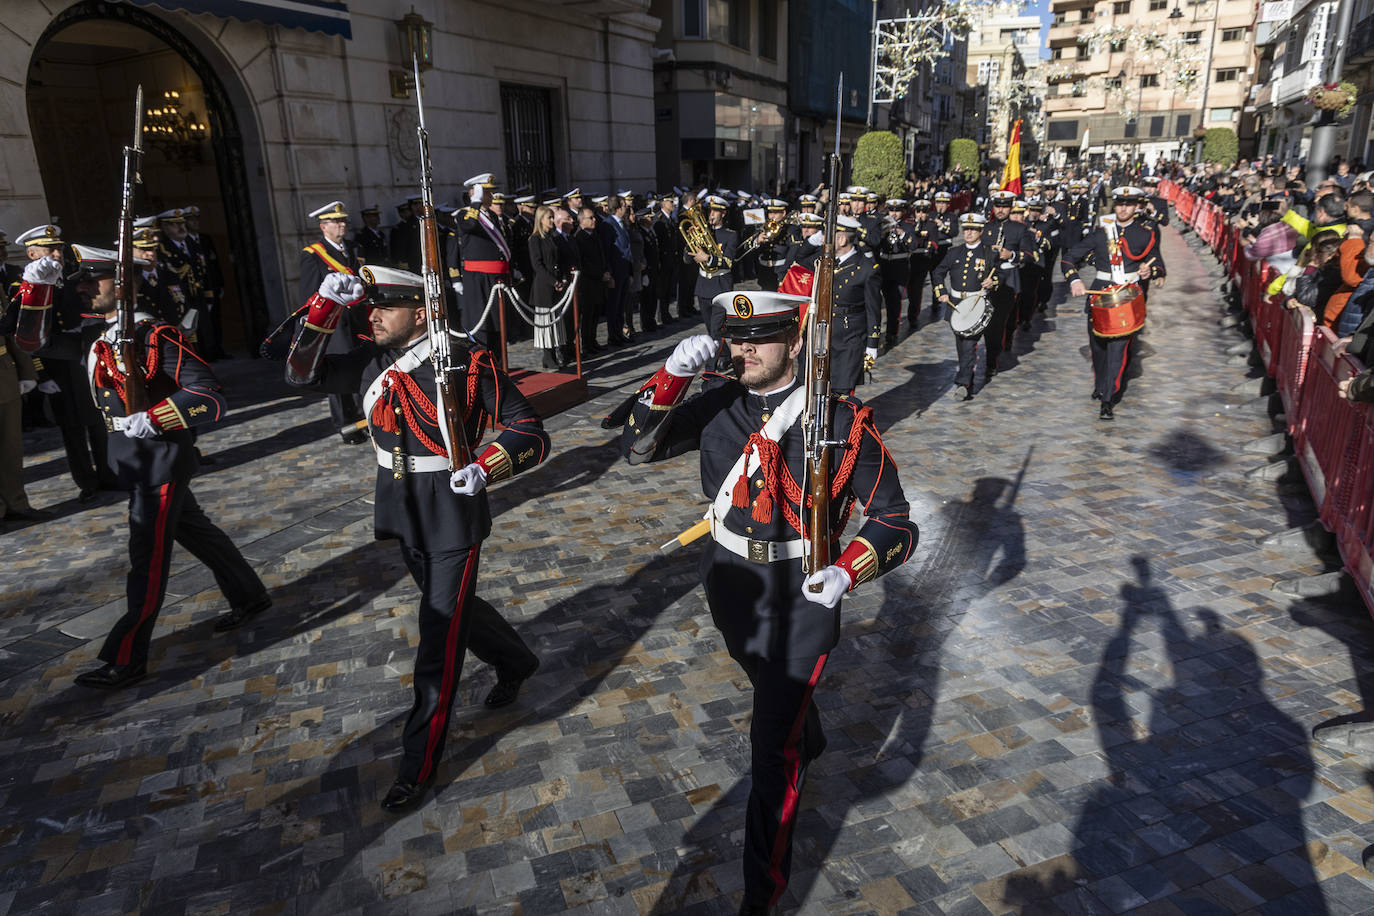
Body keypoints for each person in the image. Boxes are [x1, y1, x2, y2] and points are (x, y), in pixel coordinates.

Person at [617, 290, 917, 914]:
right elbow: (637, 448)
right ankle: (804, 725)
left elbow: (895, 520)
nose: (744, 349)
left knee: (769, 748)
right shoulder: (720, 405)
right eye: (736, 337)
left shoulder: (838, 421)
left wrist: (846, 571)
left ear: (797, 341)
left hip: (803, 595)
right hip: (729, 582)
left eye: (763, 337)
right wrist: (669, 378)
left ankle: (764, 890)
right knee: (767, 688)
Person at [283, 264, 547, 812]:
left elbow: (530, 431)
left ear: (423, 313)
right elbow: (299, 375)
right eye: (368, 307)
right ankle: (517, 660)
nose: (372, 316)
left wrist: (488, 466)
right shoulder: (371, 358)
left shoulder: (466, 360)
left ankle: (417, 763)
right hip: (401, 504)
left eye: (386, 308)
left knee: (437, 634)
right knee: (451, 610)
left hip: (451, 510)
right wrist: (321, 310)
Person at [15, 243, 269, 687]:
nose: (87, 287)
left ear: (126, 284)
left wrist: (156, 417)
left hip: (161, 459)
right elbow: (31, 341)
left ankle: (127, 656)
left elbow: (209, 395)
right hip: (132, 460)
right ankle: (250, 595)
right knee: (194, 528)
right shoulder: (96, 335)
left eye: (97, 278)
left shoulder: (156, 336)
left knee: (146, 558)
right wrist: (36, 288)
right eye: (81, 281)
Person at [1062, 186, 1167, 419]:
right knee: (1098, 347)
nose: (1123, 208)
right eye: (1120, 203)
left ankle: (1108, 398)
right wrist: (1075, 281)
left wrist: (1150, 271)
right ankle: (1101, 383)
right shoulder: (1101, 233)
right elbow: (1070, 258)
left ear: (1137, 206)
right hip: (1099, 294)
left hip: (1126, 296)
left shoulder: (1144, 234)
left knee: (1118, 350)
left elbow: (1157, 262)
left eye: (1129, 204)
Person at [785, 215, 881, 394]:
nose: (824, 239)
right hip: (819, 334)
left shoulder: (866, 268)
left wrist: (872, 344)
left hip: (848, 336)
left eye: (829, 235)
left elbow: (873, 309)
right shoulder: (822, 261)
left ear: (842, 239)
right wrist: (814, 239)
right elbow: (798, 257)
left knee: (841, 391)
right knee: (811, 387)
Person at [299, 200, 370, 444]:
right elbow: (310, 295)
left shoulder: (352, 248)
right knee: (338, 374)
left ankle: (365, 419)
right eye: (336, 221)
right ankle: (346, 425)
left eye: (343, 220)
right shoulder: (313, 254)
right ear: (323, 226)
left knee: (361, 367)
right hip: (334, 322)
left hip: (358, 318)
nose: (342, 225)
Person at [932, 213, 1001, 400]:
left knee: (969, 345)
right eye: (966, 229)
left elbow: (1000, 275)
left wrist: (992, 281)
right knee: (961, 346)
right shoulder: (954, 252)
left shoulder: (989, 253)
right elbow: (938, 272)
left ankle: (962, 383)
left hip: (976, 304)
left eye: (973, 229)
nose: (968, 233)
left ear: (981, 231)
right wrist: (941, 291)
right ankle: (967, 377)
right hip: (955, 304)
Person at [457, 174, 515, 348]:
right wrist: (475, 202)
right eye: (487, 193)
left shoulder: (491, 215)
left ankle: (499, 365)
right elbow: (469, 226)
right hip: (478, 278)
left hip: (497, 278)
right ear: (475, 193)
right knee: (481, 324)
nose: (491, 197)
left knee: (498, 324)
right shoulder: (465, 214)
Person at [527, 205, 571, 370]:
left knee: (555, 322)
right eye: (549, 218)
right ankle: (548, 355)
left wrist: (563, 278)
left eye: (553, 217)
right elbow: (537, 265)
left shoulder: (551, 237)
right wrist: (553, 281)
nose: (552, 221)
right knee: (546, 323)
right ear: (541, 220)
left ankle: (554, 353)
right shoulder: (535, 239)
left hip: (556, 285)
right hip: (544, 286)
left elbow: (558, 261)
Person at [183, 206, 229, 359]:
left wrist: (220, 283)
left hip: (211, 285)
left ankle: (217, 348)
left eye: (197, 219)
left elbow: (214, 264)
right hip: (196, 289)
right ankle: (205, 351)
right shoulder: (185, 242)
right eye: (191, 220)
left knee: (215, 318)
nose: (195, 223)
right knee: (201, 321)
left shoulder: (205, 239)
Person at [689, 195, 739, 333]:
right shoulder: (700, 232)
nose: (711, 214)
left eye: (715, 211)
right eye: (709, 210)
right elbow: (687, 260)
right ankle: (719, 354)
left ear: (723, 213)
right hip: (703, 285)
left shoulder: (730, 235)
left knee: (717, 330)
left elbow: (729, 262)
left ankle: (722, 355)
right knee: (710, 330)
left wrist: (707, 258)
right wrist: (690, 244)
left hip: (721, 285)